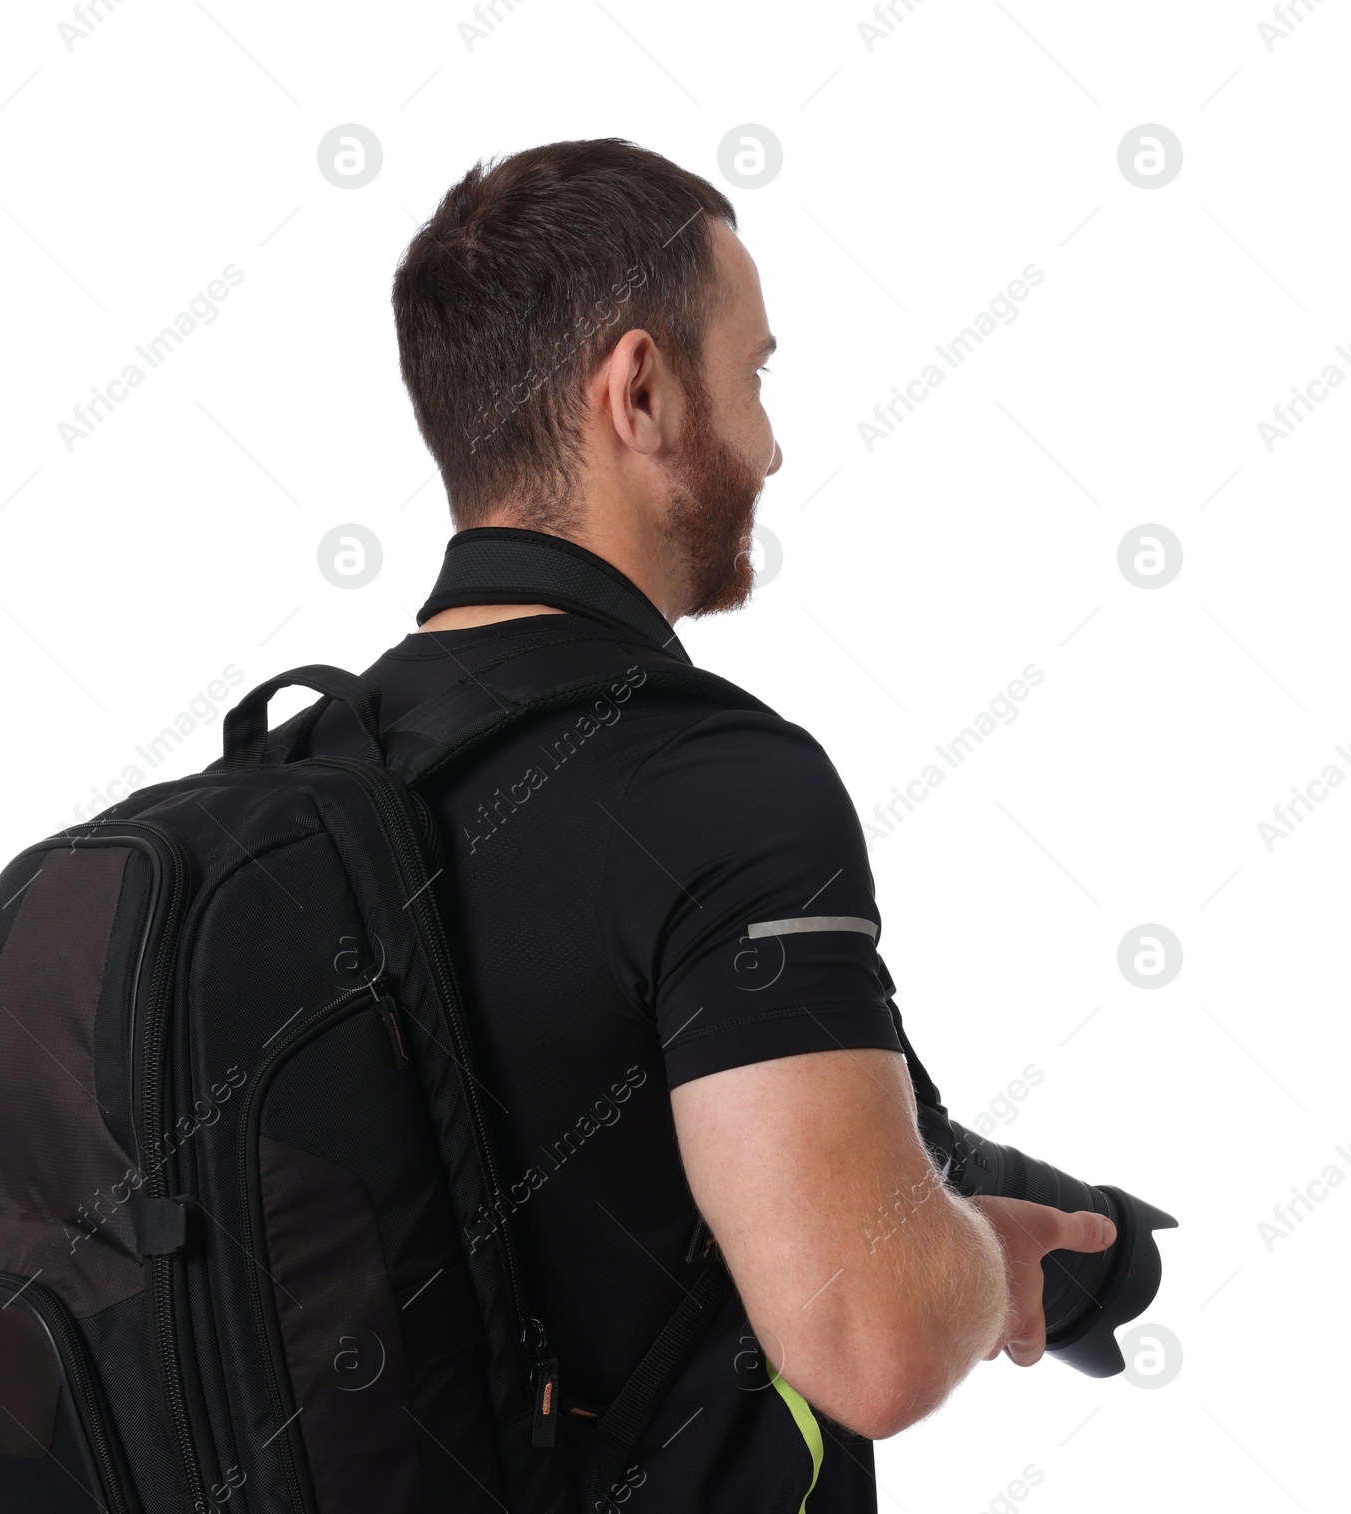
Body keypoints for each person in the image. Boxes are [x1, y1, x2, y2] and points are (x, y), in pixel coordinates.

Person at [297, 139, 1115, 1513]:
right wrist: (988, 1254)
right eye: (756, 373)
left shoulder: (307, 779)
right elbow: (878, 1340)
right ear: (642, 390)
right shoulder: (713, 781)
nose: (775, 442)